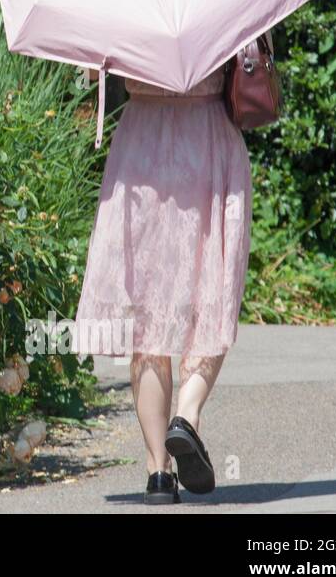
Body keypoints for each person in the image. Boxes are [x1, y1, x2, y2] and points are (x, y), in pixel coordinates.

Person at [73, 60, 252, 505]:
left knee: (146, 311)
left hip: (141, 144)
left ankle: (157, 474)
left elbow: (92, 76)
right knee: (212, 293)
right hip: (207, 134)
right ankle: (186, 415)